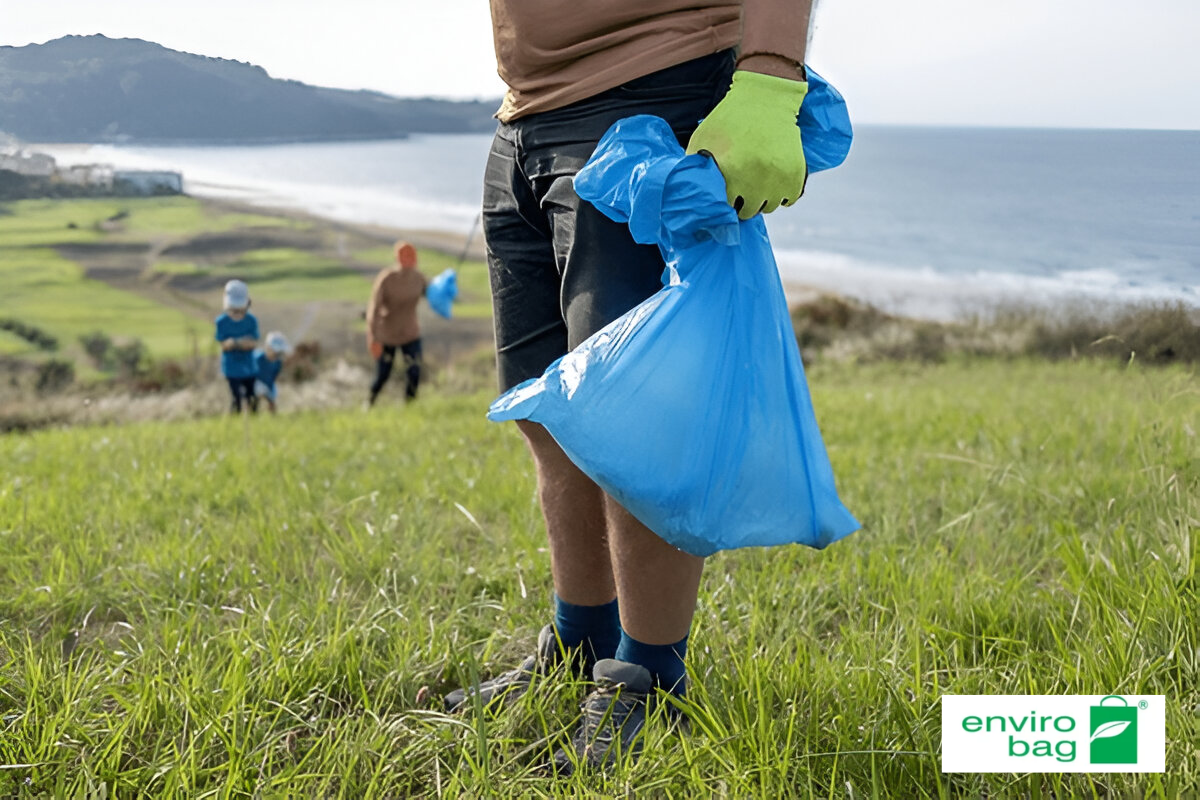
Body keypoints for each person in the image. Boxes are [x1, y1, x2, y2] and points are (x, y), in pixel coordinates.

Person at [445, 0, 816, 773]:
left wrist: (772, 76)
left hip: (647, 101)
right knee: (549, 415)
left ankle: (650, 676)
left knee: (634, 421)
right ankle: (580, 640)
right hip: (524, 119)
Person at [365, 241, 427, 406]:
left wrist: (448, 286)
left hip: (410, 334)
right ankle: (369, 402)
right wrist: (373, 337)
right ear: (397, 257)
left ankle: (410, 408)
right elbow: (374, 309)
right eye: (403, 254)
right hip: (387, 336)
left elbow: (434, 294)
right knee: (383, 375)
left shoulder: (419, 278)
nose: (407, 258)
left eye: (411, 254)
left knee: (414, 372)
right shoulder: (386, 278)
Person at [214, 279, 259, 414]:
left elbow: (253, 343)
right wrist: (241, 343)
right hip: (231, 368)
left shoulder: (251, 320)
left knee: (252, 398)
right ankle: (236, 421)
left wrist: (234, 343)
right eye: (234, 310)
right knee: (237, 398)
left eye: (240, 310)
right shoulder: (221, 322)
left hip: (249, 368)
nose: (237, 313)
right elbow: (224, 345)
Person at [253, 331, 290, 414]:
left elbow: (273, 377)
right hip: (253, 385)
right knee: (258, 391)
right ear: (268, 348)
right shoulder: (257, 358)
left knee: (271, 399)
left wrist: (271, 396)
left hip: (267, 385)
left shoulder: (277, 363)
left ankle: (273, 417)